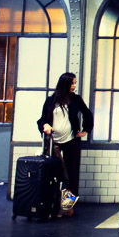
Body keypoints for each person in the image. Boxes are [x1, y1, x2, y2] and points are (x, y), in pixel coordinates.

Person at [37, 72, 93, 217]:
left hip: (71, 141)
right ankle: (52, 205)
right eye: (72, 83)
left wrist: (86, 130)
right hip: (53, 142)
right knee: (52, 174)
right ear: (65, 83)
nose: (74, 86)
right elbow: (42, 120)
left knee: (71, 174)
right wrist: (45, 126)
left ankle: (67, 207)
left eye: (75, 83)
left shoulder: (76, 99)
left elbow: (87, 113)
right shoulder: (51, 100)